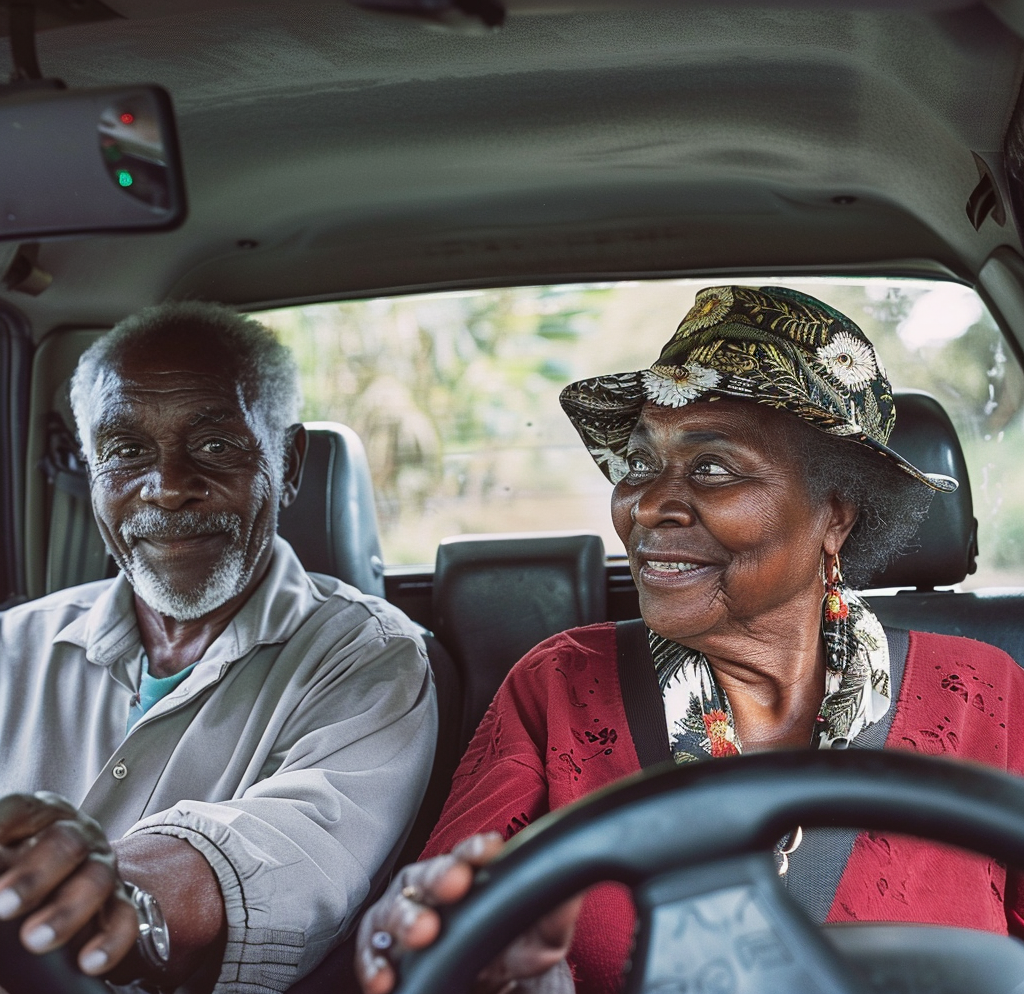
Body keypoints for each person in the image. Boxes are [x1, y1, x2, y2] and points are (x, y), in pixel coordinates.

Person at [354, 284, 1024, 994]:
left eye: (711, 467)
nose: (646, 505)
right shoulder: (557, 685)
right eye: (639, 464)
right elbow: (445, 939)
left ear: (836, 517)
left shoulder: (988, 693)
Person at [0, 303, 437, 992]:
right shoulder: (11, 647)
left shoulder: (370, 658)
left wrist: (118, 897)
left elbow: (297, 846)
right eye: (126, 452)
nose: (169, 487)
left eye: (215, 446)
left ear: (288, 464)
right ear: (91, 472)